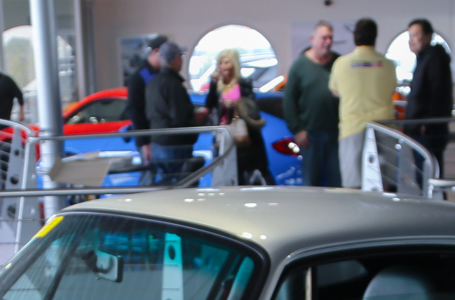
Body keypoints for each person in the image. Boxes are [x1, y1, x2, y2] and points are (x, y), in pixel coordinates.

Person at [329, 18, 396, 190]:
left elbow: (335, 91)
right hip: (384, 127)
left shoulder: (341, 64)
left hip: (352, 128)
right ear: (375, 38)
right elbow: (391, 90)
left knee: (352, 184)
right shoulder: (388, 65)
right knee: (383, 182)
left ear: (354, 38)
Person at [283, 20, 340, 187]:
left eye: (330, 38)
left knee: (337, 182)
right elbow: (289, 101)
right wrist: (297, 130)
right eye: (324, 38)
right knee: (311, 184)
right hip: (310, 136)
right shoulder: (299, 66)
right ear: (312, 39)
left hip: (336, 134)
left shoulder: (338, 63)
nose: (328, 42)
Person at [206, 47, 269, 186]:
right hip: (223, 135)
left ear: (234, 63)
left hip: (242, 136)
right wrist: (213, 83)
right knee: (223, 172)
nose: (224, 66)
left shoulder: (244, 84)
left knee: (243, 174)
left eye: (227, 62)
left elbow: (253, 108)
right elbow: (209, 105)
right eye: (221, 62)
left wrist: (237, 104)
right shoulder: (217, 86)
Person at [402, 18, 453, 183]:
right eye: (410, 35)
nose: (412, 40)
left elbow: (437, 93)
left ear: (429, 36)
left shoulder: (434, 59)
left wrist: (427, 123)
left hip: (427, 131)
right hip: (420, 129)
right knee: (424, 176)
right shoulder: (424, 58)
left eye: (416, 34)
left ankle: (435, 208)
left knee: (429, 177)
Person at [145, 41, 194, 183]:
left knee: (161, 187)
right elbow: (179, 117)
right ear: (176, 59)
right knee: (177, 187)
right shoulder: (174, 85)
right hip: (174, 145)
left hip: (156, 142)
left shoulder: (152, 83)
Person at [123, 34, 166, 165]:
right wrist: (145, 143)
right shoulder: (141, 76)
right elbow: (135, 109)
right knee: (149, 177)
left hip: (159, 137)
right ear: (156, 51)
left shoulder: (159, 74)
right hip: (149, 139)